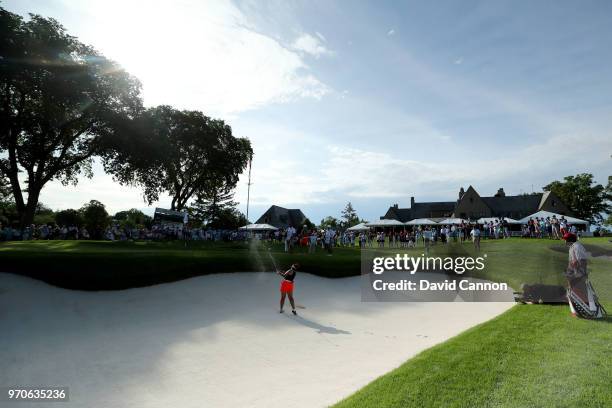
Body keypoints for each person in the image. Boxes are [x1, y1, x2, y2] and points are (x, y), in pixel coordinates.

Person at [563, 233, 606, 319]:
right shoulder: (572, 247)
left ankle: (589, 311)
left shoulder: (577, 247)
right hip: (573, 274)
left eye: (565, 240)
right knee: (574, 292)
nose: (564, 242)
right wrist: (568, 273)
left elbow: (582, 261)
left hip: (578, 274)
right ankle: (578, 311)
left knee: (581, 292)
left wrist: (581, 273)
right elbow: (571, 261)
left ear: (569, 240)